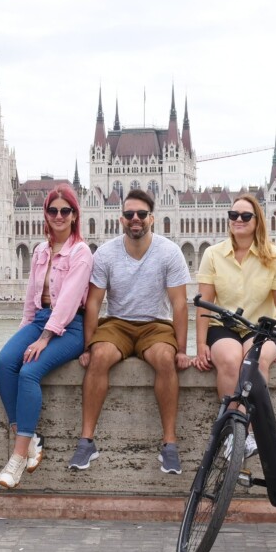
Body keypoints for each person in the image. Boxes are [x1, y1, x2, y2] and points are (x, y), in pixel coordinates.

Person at [69, 189, 192, 475]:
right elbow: (94, 303)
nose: (134, 219)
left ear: (152, 218)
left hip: (155, 324)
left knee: (165, 359)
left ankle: (169, 445)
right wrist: (88, 346)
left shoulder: (169, 252)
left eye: (140, 214)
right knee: (100, 357)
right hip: (117, 323)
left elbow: (179, 305)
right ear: (121, 219)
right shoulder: (106, 253)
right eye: (128, 214)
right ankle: (86, 441)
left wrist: (183, 351)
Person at [0, 184, 93, 488]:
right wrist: (26, 331)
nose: (59, 216)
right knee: (4, 361)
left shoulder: (81, 252)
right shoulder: (39, 250)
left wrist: (45, 338)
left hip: (71, 326)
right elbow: (32, 296)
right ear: (45, 215)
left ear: (75, 215)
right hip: (40, 320)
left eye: (66, 211)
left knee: (29, 372)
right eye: (53, 210)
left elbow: (69, 300)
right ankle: (29, 434)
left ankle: (18, 456)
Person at [191, 193, 276, 457]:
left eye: (245, 216)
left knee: (254, 359)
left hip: (263, 328)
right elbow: (204, 304)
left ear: (257, 221)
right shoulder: (213, 254)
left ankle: (248, 432)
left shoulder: (274, 257)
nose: (238, 220)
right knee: (230, 360)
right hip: (225, 326)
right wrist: (199, 345)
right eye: (233, 215)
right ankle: (233, 433)